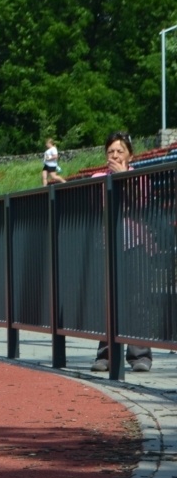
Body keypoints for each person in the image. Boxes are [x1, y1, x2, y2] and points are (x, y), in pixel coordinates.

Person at [92, 131, 153, 374]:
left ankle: (140, 356)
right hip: (107, 246)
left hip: (135, 245)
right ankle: (106, 354)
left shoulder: (140, 177)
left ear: (130, 154)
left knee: (138, 301)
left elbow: (141, 203)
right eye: (110, 151)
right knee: (107, 302)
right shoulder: (99, 177)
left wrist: (124, 178)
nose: (115, 155)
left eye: (120, 151)